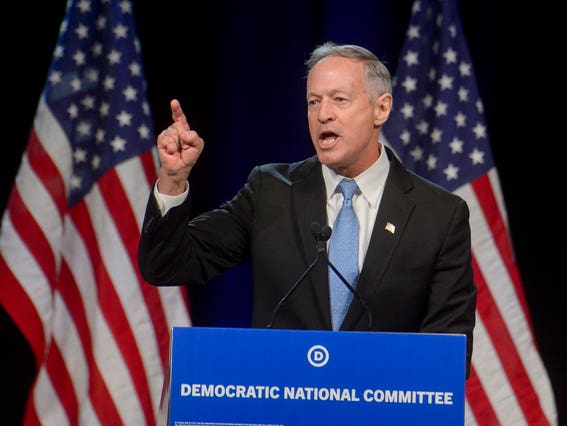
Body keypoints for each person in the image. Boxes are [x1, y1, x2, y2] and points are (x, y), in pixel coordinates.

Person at [138, 41, 477, 377]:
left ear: (381, 108)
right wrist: (173, 179)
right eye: (313, 101)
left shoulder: (439, 215)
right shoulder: (270, 192)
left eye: (339, 100)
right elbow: (167, 265)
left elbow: (447, 354)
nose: (323, 114)